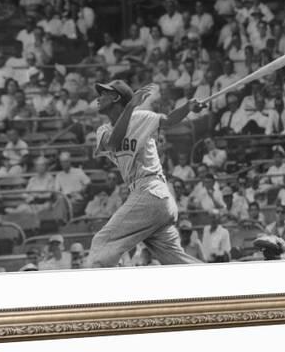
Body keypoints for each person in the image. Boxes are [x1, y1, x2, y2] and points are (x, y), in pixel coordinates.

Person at [86, 79, 206, 267]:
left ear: (116, 98)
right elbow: (113, 143)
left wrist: (188, 106)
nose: (98, 98)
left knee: (102, 243)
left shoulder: (142, 117)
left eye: (104, 93)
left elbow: (169, 120)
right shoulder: (103, 130)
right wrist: (130, 107)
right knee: (178, 263)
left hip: (151, 189)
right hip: (150, 198)